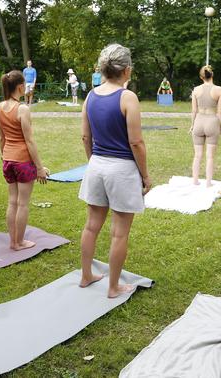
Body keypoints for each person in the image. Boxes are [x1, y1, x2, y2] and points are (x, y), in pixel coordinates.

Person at [78, 44, 151, 298]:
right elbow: (136, 142)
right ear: (127, 70)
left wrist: (93, 161)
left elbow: (85, 136)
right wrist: (145, 175)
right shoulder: (127, 97)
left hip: (97, 164)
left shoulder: (90, 96)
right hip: (121, 169)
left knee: (91, 226)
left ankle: (86, 275)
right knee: (119, 233)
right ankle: (113, 286)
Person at [0, 70, 48, 250]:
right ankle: (19, 242)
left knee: (12, 201)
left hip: (8, 159)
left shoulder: (0, 107)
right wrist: (40, 168)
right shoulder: (23, 109)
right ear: (19, 87)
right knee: (23, 203)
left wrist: (4, 155)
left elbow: (1, 138)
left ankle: (13, 241)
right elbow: (29, 141)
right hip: (22, 161)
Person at [190, 66, 221, 187]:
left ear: (201, 77)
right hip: (212, 122)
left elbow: (194, 111)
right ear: (212, 75)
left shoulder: (195, 90)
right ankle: (208, 183)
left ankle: (195, 180)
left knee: (197, 155)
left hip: (198, 121)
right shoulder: (219, 90)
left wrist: (192, 125)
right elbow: (220, 112)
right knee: (210, 156)